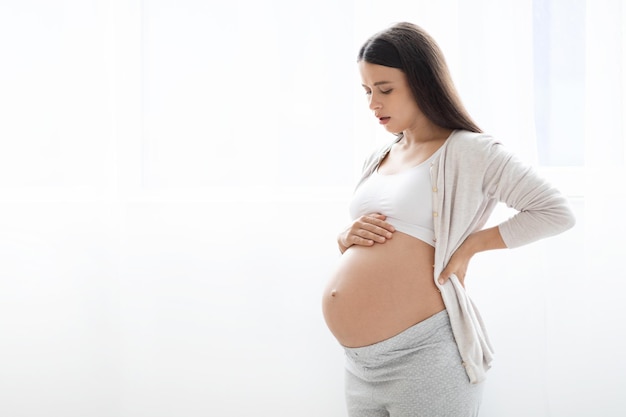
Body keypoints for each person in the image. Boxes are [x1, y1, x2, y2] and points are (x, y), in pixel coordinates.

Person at [321, 22, 576, 417]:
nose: (374, 104)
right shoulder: (380, 156)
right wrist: (345, 237)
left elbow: (555, 212)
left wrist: (472, 245)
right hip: (360, 365)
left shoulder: (469, 151)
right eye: (367, 91)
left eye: (385, 89)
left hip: (425, 356)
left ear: (422, 81)